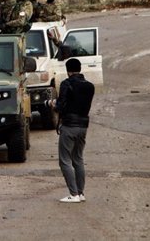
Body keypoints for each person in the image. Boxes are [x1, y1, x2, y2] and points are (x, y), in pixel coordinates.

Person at [45, 58, 95, 203]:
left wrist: (52, 104)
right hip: (83, 127)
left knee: (65, 160)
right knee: (78, 159)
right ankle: (80, 193)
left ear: (68, 70)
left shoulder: (66, 84)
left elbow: (60, 107)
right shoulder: (90, 86)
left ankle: (73, 194)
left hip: (69, 127)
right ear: (80, 69)